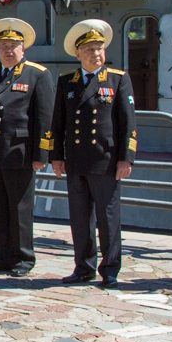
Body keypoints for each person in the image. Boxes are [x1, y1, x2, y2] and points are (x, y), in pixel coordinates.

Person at [50, 19, 137, 289]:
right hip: (76, 160)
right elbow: (58, 122)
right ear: (78, 53)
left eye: (99, 48)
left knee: (108, 218)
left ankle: (110, 268)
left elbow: (128, 123)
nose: (95, 54)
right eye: (89, 49)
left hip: (105, 160)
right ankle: (84, 267)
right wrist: (56, 155)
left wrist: (126, 158)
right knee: (80, 218)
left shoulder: (117, 79)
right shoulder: (67, 81)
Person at [0, 19, 55, 277]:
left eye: (13, 46)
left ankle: (23, 258)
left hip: (20, 152)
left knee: (20, 208)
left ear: (23, 48)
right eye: (3, 46)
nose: (8, 50)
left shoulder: (37, 74)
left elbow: (44, 117)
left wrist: (41, 154)